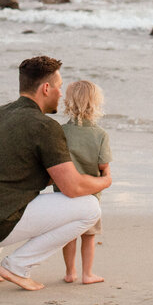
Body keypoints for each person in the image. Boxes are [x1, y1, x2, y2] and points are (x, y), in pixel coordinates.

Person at [0, 55, 112, 291]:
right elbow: (73, 188)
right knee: (89, 207)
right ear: (46, 88)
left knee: (12, 191)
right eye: (59, 87)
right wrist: (105, 181)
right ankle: (18, 266)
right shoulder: (44, 126)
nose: (61, 94)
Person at [57, 79, 112, 285]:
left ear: (68, 104)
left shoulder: (61, 132)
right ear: (96, 103)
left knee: (69, 235)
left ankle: (70, 272)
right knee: (89, 237)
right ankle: (87, 274)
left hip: (63, 195)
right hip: (91, 196)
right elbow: (103, 167)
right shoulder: (100, 135)